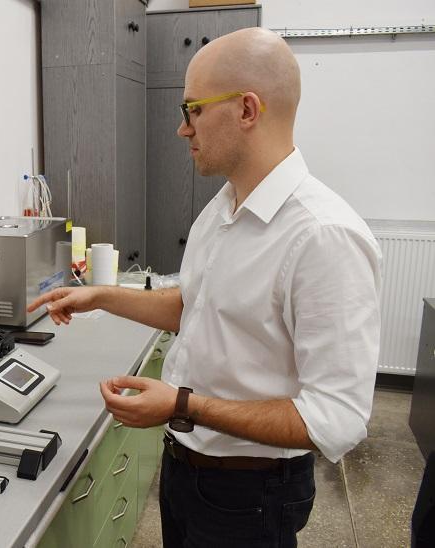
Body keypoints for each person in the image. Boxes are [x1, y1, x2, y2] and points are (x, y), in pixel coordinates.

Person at [27, 27, 381, 548]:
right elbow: (197, 308)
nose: (181, 129)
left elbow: (335, 418)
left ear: (246, 110)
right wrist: (100, 296)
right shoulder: (223, 208)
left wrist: (182, 404)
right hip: (187, 469)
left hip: (250, 493)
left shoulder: (323, 236)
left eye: (192, 109)